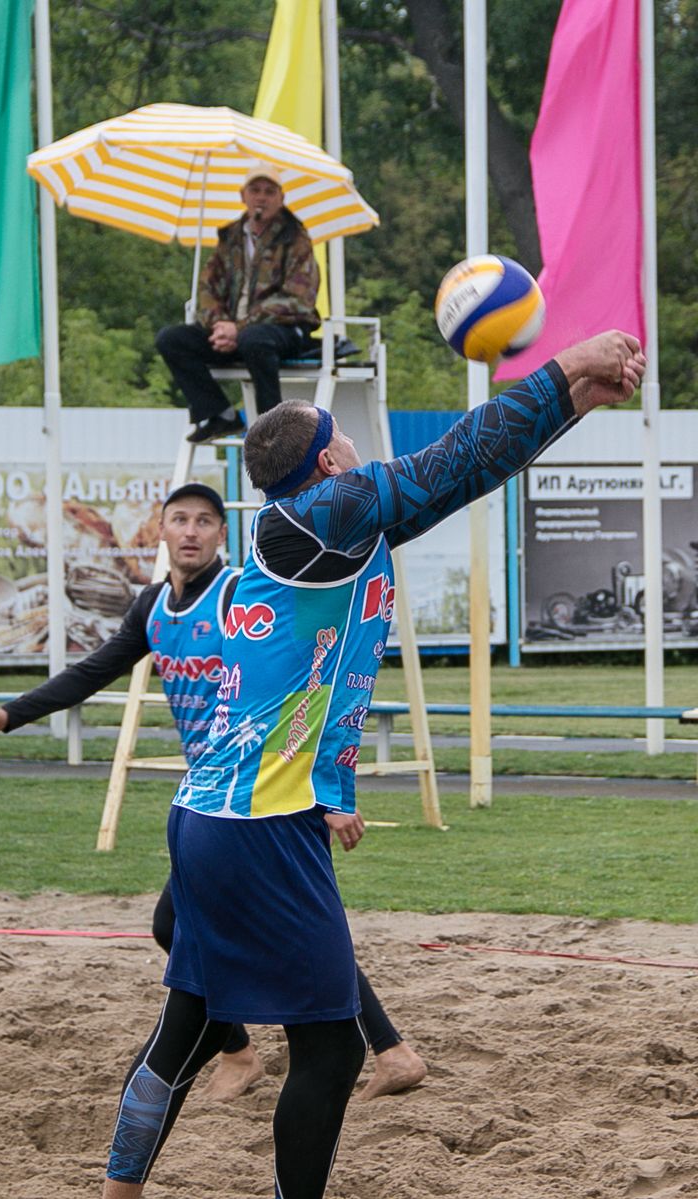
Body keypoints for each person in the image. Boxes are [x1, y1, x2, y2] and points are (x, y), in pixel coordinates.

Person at [100, 330, 647, 1199]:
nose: (356, 442)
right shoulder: (310, 518)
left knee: (188, 1031)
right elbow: (447, 457)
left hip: (215, 815)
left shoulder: (332, 526)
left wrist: (574, 404)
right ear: (327, 464)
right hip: (259, 828)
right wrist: (566, 365)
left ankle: (118, 1191)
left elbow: (466, 474)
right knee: (329, 1047)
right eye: (342, 436)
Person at [0, 482, 425, 1103]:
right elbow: (93, 670)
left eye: (204, 521)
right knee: (260, 925)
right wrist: (10, 714)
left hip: (267, 791)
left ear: (222, 535)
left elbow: (318, 674)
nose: (191, 531)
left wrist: (332, 790)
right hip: (217, 804)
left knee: (207, 923)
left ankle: (257, 1053)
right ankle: (373, 1051)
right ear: (161, 530)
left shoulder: (241, 594)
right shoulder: (153, 606)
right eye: (179, 519)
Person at [155, 161, 321, 444]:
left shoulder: (296, 238)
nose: (261, 198)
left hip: (283, 330)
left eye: (269, 191)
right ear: (242, 195)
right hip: (234, 331)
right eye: (255, 190)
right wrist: (220, 325)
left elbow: (297, 299)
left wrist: (240, 327)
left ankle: (272, 430)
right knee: (172, 339)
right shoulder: (230, 238)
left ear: (281, 198)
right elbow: (207, 288)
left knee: (255, 340)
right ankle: (219, 414)